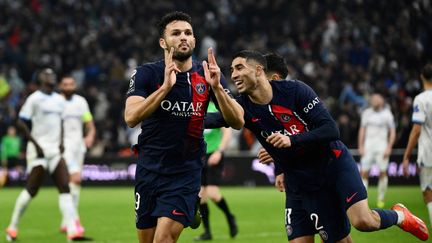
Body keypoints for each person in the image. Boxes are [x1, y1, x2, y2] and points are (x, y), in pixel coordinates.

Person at [206, 50, 428, 242]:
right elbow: (208, 119)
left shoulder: (296, 91)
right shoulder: (242, 107)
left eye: (239, 68)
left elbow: (331, 130)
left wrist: (290, 140)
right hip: (303, 178)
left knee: (363, 221)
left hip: (333, 163)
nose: (233, 75)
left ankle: (399, 215)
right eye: (231, 70)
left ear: (258, 71)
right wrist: (175, 115)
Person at [123, 12, 244, 243]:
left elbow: (238, 120)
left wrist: (217, 89)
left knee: (163, 239)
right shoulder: (147, 73)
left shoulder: (207, 75)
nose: (183, 38)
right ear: (163, 42)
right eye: (176, 33)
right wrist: (165, 89)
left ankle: (189, 202)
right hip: (149, 169)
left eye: (188, 33)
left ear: (195, 40)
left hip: (185, 172)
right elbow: (131, 117)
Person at [5, 68, 85, 241]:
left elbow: (62, 121)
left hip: (55, 151)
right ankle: (12, 227)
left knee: (65, 188)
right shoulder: (34, 99)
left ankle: (72, 231)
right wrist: (34, 143)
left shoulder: (58, 99)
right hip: (39, 152)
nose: (52, 76)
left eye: (52, 74)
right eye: (47, 74)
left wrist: (62, 141)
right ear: (40, 79)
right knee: (32, 190)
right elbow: (21, 122)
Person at [194, 101, 238, 241]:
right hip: (198, 156)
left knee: (212, 193)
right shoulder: (194, 106)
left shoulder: (216, 106)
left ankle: (230, 217)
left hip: (214, 154)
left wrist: (219, 152)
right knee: (200, 195)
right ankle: (207, 232)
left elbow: (227, 133)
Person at [58, 75, 96, 234]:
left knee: (75, 185)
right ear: (60, 86)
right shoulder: (55, 102)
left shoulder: (81, 102)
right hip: (61, 147)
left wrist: (90, 136)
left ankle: (66, 221)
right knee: (71, 181)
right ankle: (74, 221)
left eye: (71, 84)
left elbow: (89, 123)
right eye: (65, 84)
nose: (68, 86)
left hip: (78, 146)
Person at [402, 63, 432, 228]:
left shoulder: (421, 99)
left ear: (422, 77)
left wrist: (406, 156)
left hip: (428, 153)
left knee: (429, 194)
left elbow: (416, 130)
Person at [358, 93, 396, 208]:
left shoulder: (387, 114)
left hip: (382, 147)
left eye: (376, 99)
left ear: (382, 101)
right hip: (368, 146)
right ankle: (364, 199)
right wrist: (361, 145)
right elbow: (362, 130)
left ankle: (381, 198)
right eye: (373, 99)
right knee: (363, 173)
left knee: (383, 172)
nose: (374, 100)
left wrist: (389, 147)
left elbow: (392, 131)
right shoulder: (366, 113)